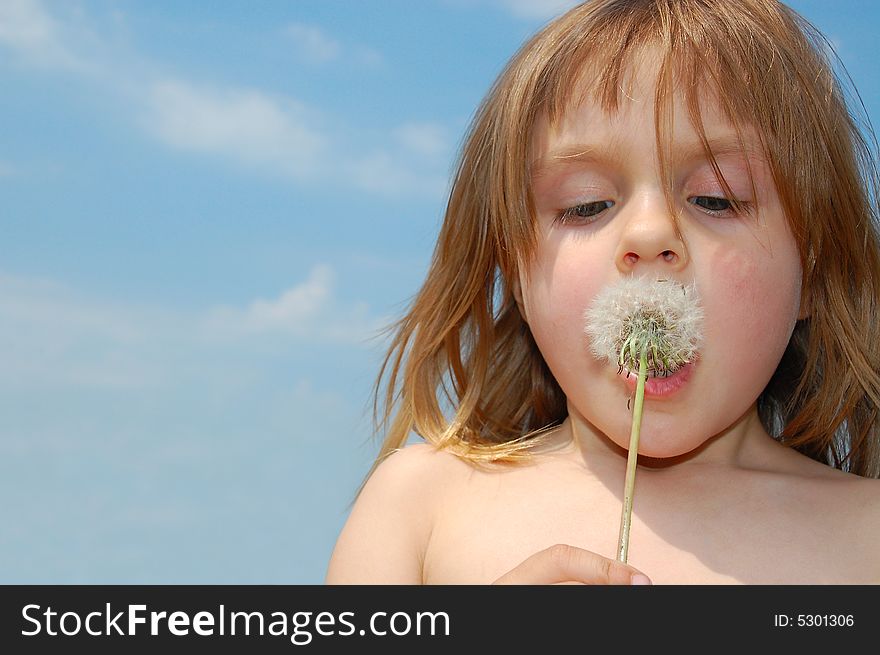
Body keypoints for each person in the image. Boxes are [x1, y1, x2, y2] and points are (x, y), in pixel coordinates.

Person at [325, 0, 880, 584]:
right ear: (514, 273)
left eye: (717, 198)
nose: (648, 234)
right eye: (585, 204)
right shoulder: (420, 508)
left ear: (813, 275)